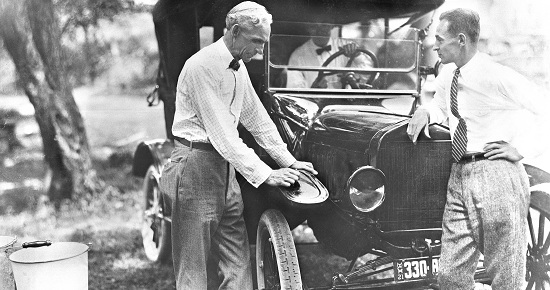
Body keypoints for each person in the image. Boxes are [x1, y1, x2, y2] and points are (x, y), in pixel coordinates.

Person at [159, 2, 317, 289]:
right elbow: (223, 136)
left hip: (225, 170)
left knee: (239, 262)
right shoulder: (201, 66)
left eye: (264, 43)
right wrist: (267, 174)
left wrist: (288, 161)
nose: (261, 51)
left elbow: (257, 119)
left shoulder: (238, 67)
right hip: (194, 168)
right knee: (193, 269)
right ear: (234, 31)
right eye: (257, 41)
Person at [407, 8, 550, 289]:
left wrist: (520, 149)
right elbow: (440, 105)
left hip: (497, 174)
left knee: (504, 273)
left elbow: (545, 107)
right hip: (459, 173)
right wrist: (427, 112)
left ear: (460, 40)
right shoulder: (448, 75)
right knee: (450, 274)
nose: (434, 45)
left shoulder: (497, 76)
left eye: (439, 39)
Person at [286, 20, 372, 89]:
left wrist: (357, 56)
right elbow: (294, 91)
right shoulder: (297, 56)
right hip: (315, 107)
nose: (320, 30)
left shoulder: (347, 46)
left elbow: (369, 76)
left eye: (324, 24)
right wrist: (312, 91)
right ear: (308, 28)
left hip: (346, 105)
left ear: (331, 25)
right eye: (314, 26)